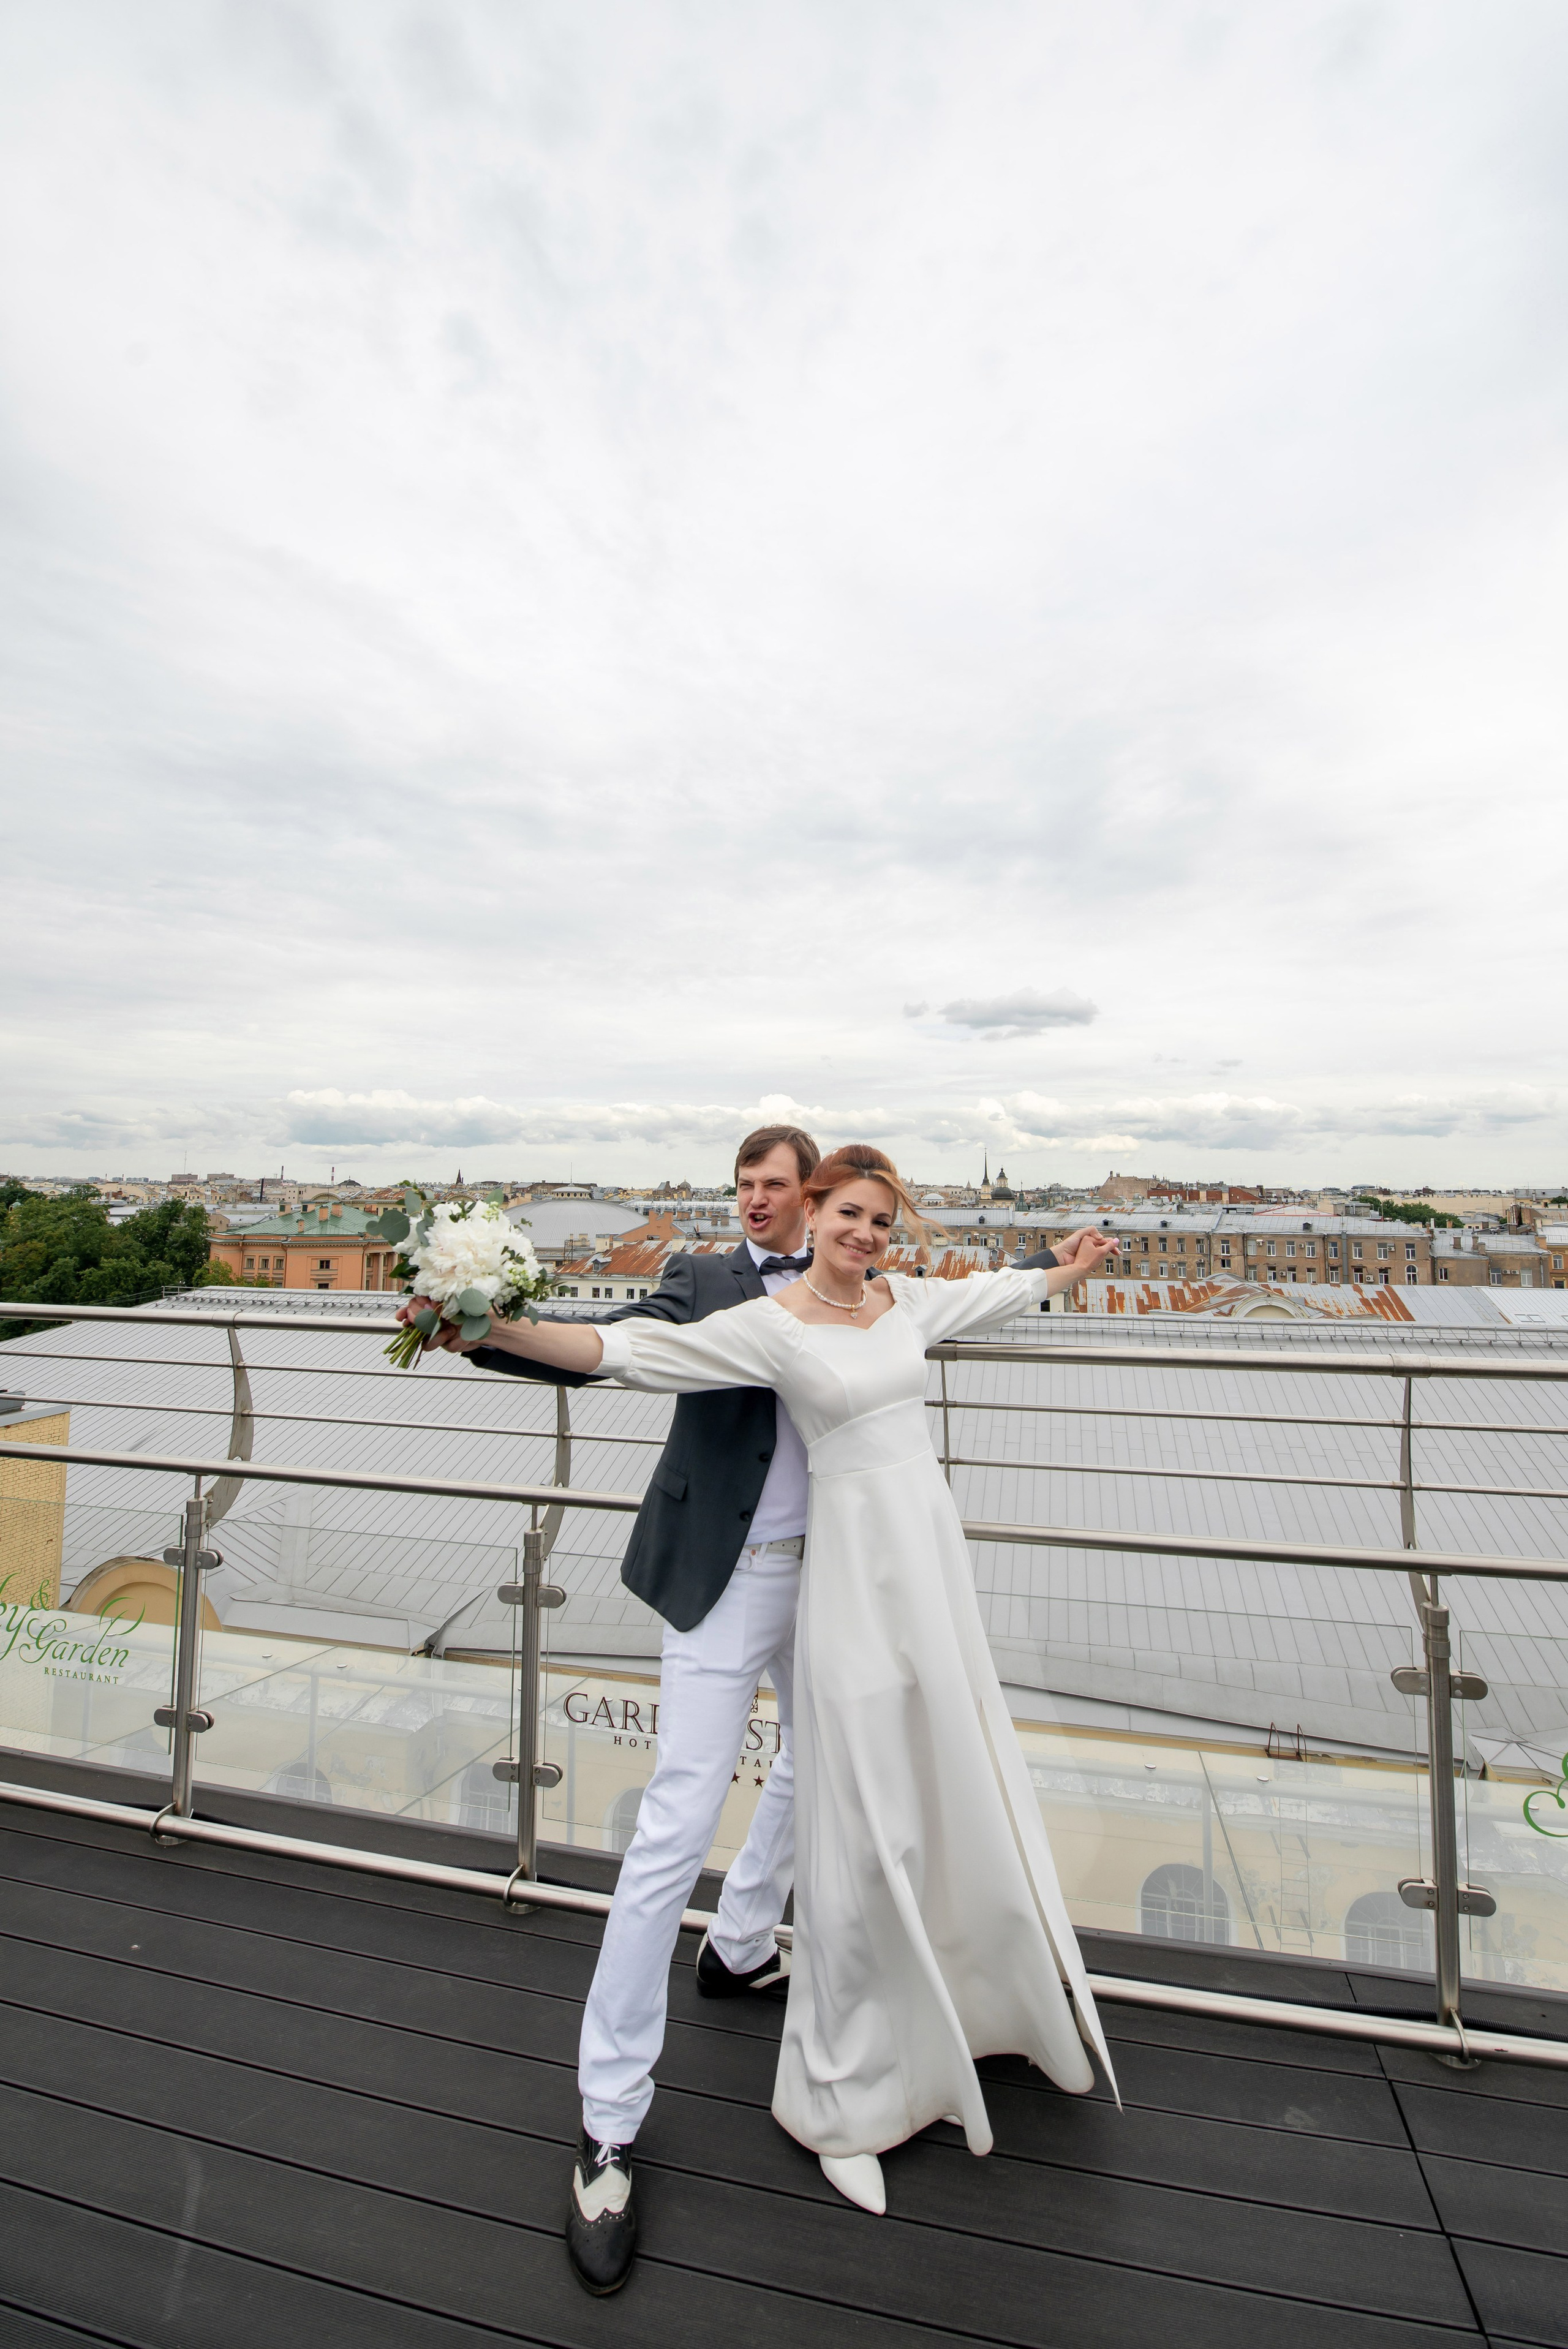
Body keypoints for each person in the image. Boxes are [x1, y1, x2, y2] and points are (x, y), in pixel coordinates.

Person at [406, 1148, 1118, 2252]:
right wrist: (479, 1325)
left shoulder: (894, 1294)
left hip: (850, 1573)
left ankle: (746, 1945)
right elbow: (619, 1349)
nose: (771, 1200)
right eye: (761, 1183)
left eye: (804, 1190)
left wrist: (1061, 1264)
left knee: (840, 1775)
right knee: (677, 1822)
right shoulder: (736, 1298)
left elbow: (990, 1291)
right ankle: (608, 2122)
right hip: (728, 1576)